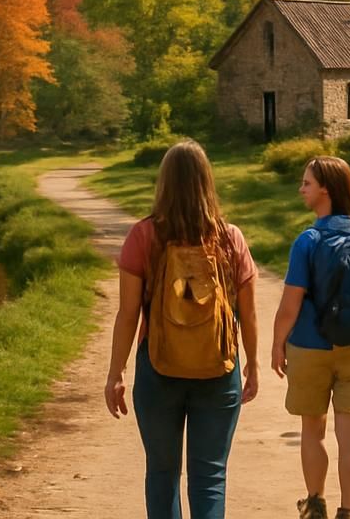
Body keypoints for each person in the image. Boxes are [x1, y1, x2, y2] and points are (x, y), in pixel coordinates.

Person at [105, 140, 261, 519]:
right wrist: (253, 364)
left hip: (158, 368)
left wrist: (116, 372)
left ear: (164, 184)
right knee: (209, 477)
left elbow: (128, 314)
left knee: (162, 473)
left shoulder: (143, 236)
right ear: (207, 183)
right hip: (218, 369)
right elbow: (249, 311)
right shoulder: (230, 238)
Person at [271, 156, 350, 519]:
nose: (301, 189)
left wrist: (278, 344)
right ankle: (349, 512)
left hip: (310, 346)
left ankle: (315, 503)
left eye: (307, 183)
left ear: (325, 188)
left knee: (313, 429)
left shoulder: (308, 240)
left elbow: (290, 304)